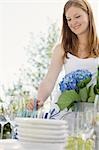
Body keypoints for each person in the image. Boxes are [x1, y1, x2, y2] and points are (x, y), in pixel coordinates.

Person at [27, 0, 99, 111]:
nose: (73, 22)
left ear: (88, 15)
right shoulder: (62, 49)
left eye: (77, 16)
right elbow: (49, 80)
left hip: (92, 113)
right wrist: (39, 99)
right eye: (69, 19)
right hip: (64, 112)